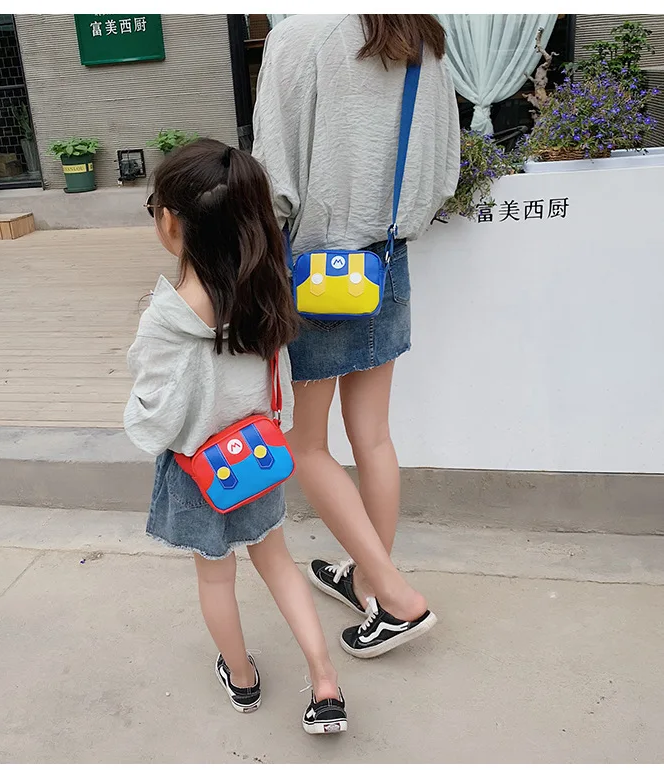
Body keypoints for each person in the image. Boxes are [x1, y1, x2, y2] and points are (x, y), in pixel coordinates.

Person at [252, 15, 460, 657]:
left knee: (306, 444)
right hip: (386, 260)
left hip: (313, 269)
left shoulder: (300, 36)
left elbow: (272, 179)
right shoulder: (422, 36)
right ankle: (367, 581)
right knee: (373, 437)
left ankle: (395, 597)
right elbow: (443, 171)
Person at [123, 139, 347, 735]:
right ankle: (325, 680)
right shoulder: (265, 295)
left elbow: (154, 421)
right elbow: (281, 389)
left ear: (171, 222)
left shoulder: (166, 318)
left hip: (200, 472)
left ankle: (243, 677)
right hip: (259, 458)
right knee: (278, 563)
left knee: (216, 576)